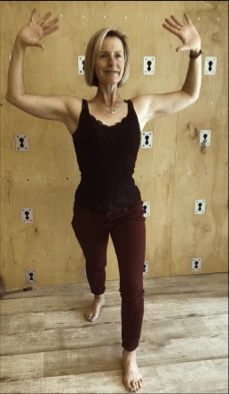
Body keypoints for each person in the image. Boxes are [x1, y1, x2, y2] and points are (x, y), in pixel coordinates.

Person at [5, 8, 202, 393]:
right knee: (95, 267)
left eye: (118, 55)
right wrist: (19, 46)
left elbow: (189, 94)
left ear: (124, 65)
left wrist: (196, 53)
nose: (112, 61)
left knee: (134, 287)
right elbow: (15, 95)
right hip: (89, 213)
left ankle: (129, 353)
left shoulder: (140, 107)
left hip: (129, 212)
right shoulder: (74, 110)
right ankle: (98, 296)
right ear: (92, 64)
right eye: (104, 54)